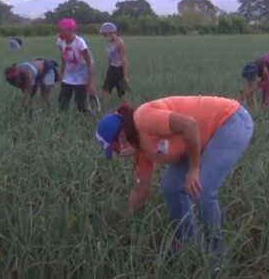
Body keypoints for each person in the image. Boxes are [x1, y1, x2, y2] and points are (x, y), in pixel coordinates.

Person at [95, 96, 253, 255]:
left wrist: (193, 168)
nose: (119, 153)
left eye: (116, 149)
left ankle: (216, 255)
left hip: (230, 120)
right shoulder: (140, 150)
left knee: (202, 189)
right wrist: (127, 220)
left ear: (121, 136)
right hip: (197, 139)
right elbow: (140, 189)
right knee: (170, 186)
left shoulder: (144, 118)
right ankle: (186, 242)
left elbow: (189, 125)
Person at [57, 18, 97, 113]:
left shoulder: (80, 43)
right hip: (68, 77)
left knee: (81, 106)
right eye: (60, 29)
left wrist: (90, 83)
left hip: (81, 78)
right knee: (62, 103)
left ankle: (86, 120)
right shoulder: (60, 41)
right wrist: (61, 74)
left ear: (71, 30)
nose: (60, 32)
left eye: (63, 30)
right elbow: (63, 59)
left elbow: (89, 62)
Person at [99, 22, 130, 102]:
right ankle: (105, 107)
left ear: (110, 32)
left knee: (121, 92)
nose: (105, 37)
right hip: (112, 69)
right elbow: (109, 58)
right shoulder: (110, 43)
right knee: (106, 89)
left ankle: (124, 109)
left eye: (105, 34)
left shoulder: (120, 42)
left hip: (118, 69)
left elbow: (124, 58)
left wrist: (125, 75)